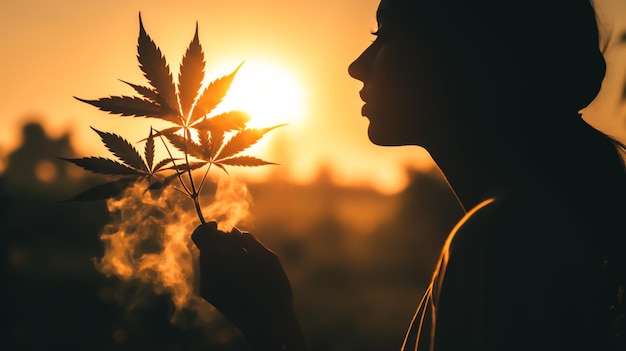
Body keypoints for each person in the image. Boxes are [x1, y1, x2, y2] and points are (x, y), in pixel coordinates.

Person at [191, 0, 626, 350]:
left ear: (465, 56)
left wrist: (270, 326)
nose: (357, 66)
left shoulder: (502, 241)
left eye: (386, 35)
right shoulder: (543, 225)